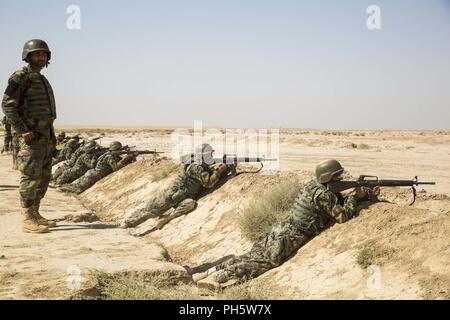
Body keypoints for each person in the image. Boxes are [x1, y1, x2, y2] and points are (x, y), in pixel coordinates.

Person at [194, 159, 379, 289]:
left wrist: (358, 195)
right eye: (338, 176)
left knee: (253, 253)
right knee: (266, 261)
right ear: (329, 177)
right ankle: (221, 277)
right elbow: (341, 216)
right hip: (291, 235)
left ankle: (210, 271)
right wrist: (357, 197)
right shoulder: (324, 194)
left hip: (281, 228)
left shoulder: (313, 186)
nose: (341, 178)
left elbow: (333, 201)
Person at [1, 39, 58, 233]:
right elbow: (7, 105)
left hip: (45, 137)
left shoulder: (41, 78)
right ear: (28, 56)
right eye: (37, 54)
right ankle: (27, 218)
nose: (41, 57)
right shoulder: (21, 76)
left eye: (43, 54)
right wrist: (22, 130)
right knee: (30, 177)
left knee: (43, 177)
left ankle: (35, 213)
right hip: (30, 138)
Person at [120, 143, 229, 231]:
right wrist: (219, 170)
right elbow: (208, 182)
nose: (211, 156)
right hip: (171, 194)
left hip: (184, 197)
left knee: (190, 204)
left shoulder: (201, 164)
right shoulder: (195, 166)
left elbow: (209, 176)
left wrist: (224, 168)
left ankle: (167, 219)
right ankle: (128, 223)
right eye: (209, 154)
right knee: (149, 212)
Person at [60, 141, 133, 194]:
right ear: (116, 149)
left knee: (77, 186)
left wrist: (131, 157)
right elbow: (116, 167)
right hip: (94, 175)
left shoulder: (110, 155)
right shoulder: (108, 156)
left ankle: (62, 187)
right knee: (78, 188)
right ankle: (61, 188)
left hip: (93, 173)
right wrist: (125, 159)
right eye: (119, 149)